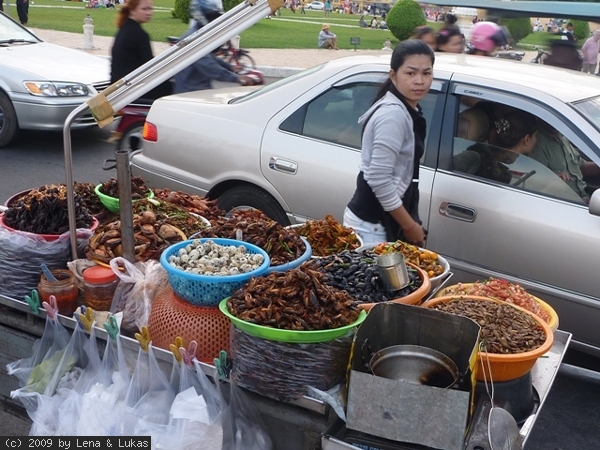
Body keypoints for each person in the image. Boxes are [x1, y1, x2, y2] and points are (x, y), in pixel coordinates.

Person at [344, 40, 435, 247]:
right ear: (393, 75)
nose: (419, 81)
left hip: (380, 222)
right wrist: (410, 226)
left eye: (426, 73)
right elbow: (378, 177)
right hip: (372, 226)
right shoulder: (393, 115)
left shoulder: (405, 108)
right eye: (410, 73)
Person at [454, 109, 538, 184]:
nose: (536, 140)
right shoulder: (474, 157)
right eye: (536, 136)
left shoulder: (506, 170)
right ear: (527, 139)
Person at [110, 0, 172, 100]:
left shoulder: (124, 29)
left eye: (150, 8)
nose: (149, 13)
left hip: (119, 88)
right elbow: (150, 67)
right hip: (133, 91)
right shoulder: (139, 34)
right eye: (144, 9)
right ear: (132, 10)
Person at [530, 121, 600, 203]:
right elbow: (537, 186)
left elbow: (579, 166)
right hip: (565, 203)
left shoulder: (562, 137)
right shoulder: (537, 144)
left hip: (584, 197)